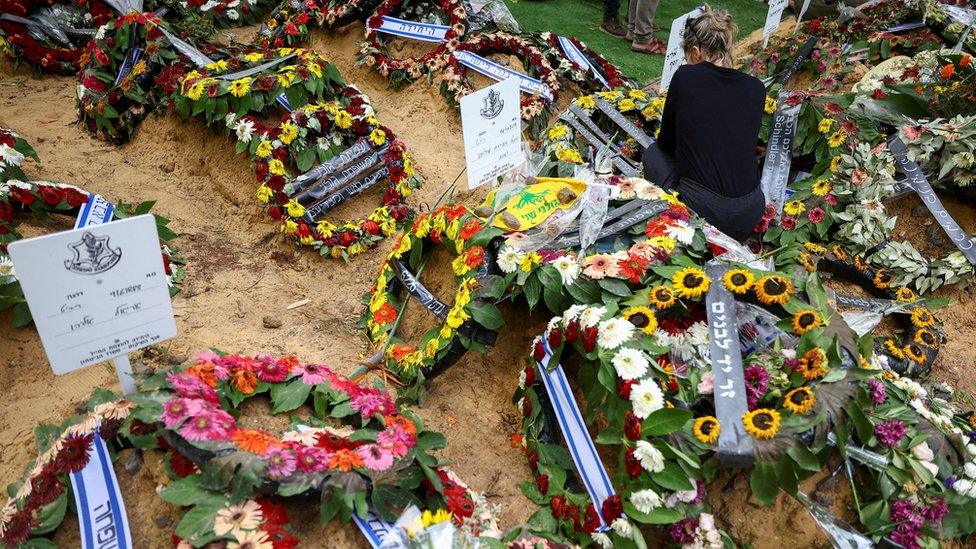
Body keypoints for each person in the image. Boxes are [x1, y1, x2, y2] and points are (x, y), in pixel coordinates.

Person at [642, 5, 766, 241]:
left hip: (704, 210)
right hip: (750, 211)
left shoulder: (687, 76)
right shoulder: (756, 88)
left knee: (653, 154)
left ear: (696, 52)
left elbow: (666, 144)